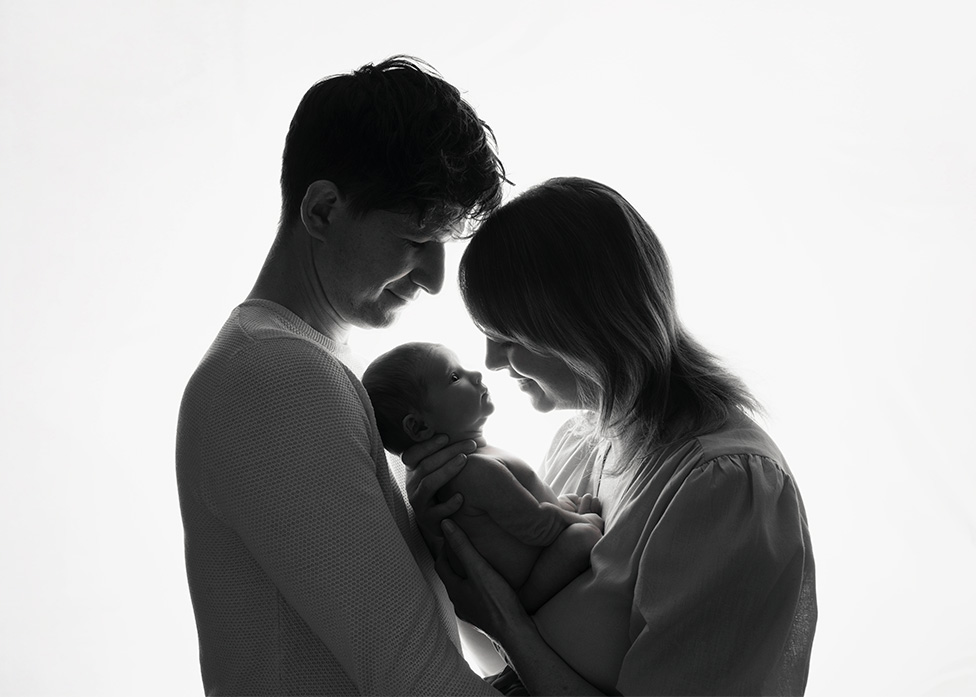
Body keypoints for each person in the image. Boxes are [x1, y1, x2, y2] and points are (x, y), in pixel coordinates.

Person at [405, 177, 818, 695]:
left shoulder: (727, 490)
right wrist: (451, 544)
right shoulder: (578, 444)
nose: (489, 361)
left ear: (582, 327)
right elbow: (509, 664)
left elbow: (514, 636)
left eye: (508, 337)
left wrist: (504, 621)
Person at [175, 56, 508, 695]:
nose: (436, 279)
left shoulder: (315, 365)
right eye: (417, 239)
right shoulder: (271, 374)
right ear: (324, 210)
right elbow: (419, 682)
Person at [362, 341, 603, 613]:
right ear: (419, 426)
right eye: (454, 377)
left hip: (536, 556)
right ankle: (523, 606)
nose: (476, 374)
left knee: (569, 506)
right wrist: (581, 520)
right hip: (530, 579)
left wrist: (560, 507)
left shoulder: (471, 462)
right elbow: (537, 528)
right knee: (585, 536)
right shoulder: (472, 470)